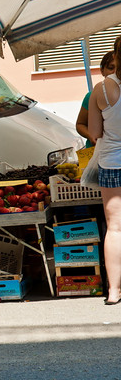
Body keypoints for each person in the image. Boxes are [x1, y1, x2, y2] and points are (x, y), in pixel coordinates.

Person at [88, 36, 121, 305]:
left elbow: (95, 132)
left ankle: (113, 291)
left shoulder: (101, 90)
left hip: (112, 163)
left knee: (115, 229)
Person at [77, 51, 116, 147]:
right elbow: (80, 124)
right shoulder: (91, 96)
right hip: (96, 152)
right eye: (111, 68)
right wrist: (90, 135)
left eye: (119, 68)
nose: (114, 72)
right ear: (102, 71)